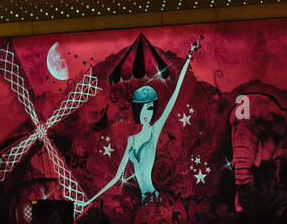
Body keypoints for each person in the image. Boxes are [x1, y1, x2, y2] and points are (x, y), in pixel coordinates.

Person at [82, 39, 200, 210]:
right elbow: (116, 178)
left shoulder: (154, 131)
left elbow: (173, 97)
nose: (147, 113)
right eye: (143, 109)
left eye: (150, 109)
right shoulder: (131, 140)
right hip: (145, 202)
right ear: (138, 110)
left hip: (155, 198)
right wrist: (89, 201)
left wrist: (189, 57)